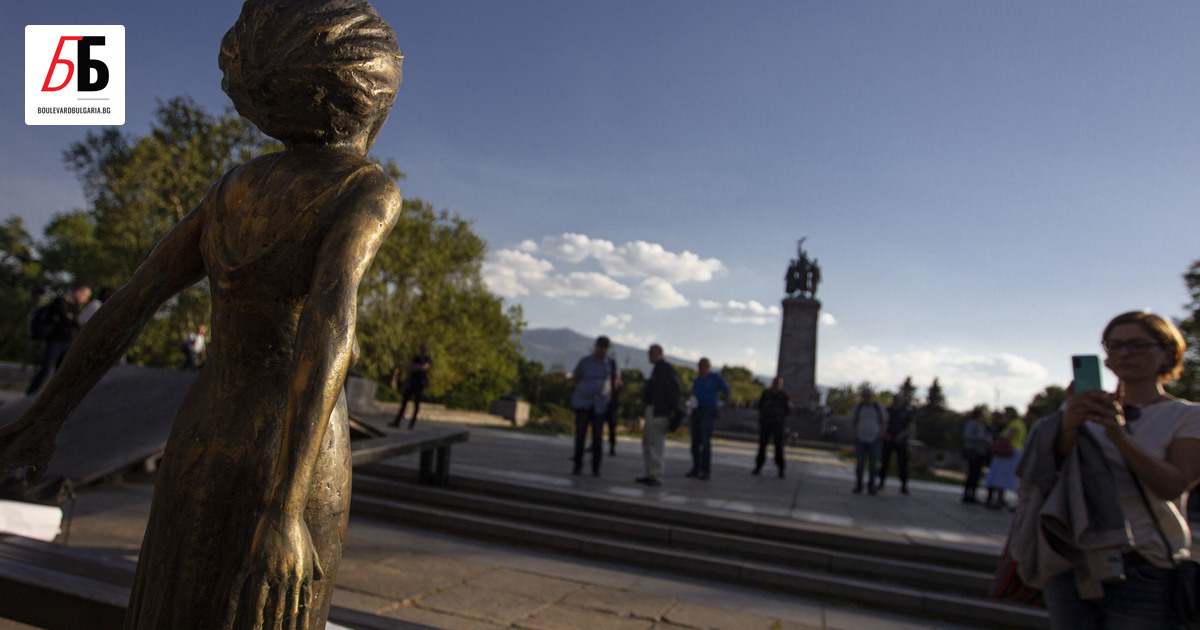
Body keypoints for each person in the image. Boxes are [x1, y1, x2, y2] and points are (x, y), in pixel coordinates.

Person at [0, 2, 403, 627]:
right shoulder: (364, 188)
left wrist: (46, 415)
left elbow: (132, 301)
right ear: (369, 91)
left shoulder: (236, 186)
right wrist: (286, 510)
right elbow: (328, 336)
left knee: (176, 600)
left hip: (203, 432)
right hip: (293, 453)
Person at [1022, 311, 1200, 628]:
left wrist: (1119, 435)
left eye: (1138, 345)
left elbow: (1173, 486)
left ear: (1168, 353)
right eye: (1114, 345)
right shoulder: (1083, 407)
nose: (1124, 353)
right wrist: (1065, 428)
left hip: (1143, 564)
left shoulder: (1187, 416)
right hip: (1073, 555)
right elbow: (1045, 474)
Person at [25, 285, 91, 396]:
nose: (85, 299)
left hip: (67, 341)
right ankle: (31, 393)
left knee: (63, 371)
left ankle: (57, 395)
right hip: (55, 340)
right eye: (85, 295)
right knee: (46, 369)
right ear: (78, 292)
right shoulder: (60, 302)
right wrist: (72, 319)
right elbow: (68, 319)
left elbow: (74, 320)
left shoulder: (74, 306)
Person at [571, 336, 619, 476]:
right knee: (580, 435)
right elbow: (576, 377)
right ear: (596, 346)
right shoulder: (585, 361)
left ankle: (596, 467)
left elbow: (615, 382)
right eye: (600, 346)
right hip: (584, 403)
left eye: (605, 347)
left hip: (600, 406)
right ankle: (578, 464)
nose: (602, 349)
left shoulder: (610, 364)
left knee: (598, 438)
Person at [636, 344, 679, 487]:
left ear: (659, 353)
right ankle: (650, 472)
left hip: (660, 410)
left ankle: (656, 474)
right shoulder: (657, 369)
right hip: (653, 408)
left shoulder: (666, 369)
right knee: (647, 442)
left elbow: (674, 389)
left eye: (651, 353)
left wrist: (672, 409)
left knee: (655, 443)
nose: (649, 356)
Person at [687, 358, 729, 480]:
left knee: (705, 442)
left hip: (708, 410)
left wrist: (723, 408)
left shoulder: (715, 378)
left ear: (708, 367)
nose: (702, 368)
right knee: (695, 441)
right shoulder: (697, 380)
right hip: (697, 410)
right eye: (700, 366)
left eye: (704, 366)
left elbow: (727, 392)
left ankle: (706, 470)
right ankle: (696, 468)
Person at [984, 408, 1025, 509]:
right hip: (1012, 452)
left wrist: (995, 441)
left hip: (1009, 453)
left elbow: (1007, 438)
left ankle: (1008, 501)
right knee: (1005, 477)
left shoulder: (1015, 424)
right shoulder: (1017, 423)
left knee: (1003, 477)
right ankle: (1000, 499)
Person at [850, 387, 889, 495]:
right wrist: (855, 434)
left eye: (868, 396)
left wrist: (881, 434)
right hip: (861, 439)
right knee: (860, 464)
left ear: (872, 396)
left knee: (873, 464)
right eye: (864, 396)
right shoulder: (858, 407)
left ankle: (872, 486)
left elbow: (885, 421)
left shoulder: (878, 407)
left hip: (875, 440)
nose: (867, 398)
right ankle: (859, 485)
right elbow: (853, 421)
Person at [753, 376, 791, 478]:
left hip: (778, 424)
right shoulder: (766, 393)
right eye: (775, 383)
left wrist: (780, 417)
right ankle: (758, 467)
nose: (776, 385)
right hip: (766, 423)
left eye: (778, 383)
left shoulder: (784, 395)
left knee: (779, 448)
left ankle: (781, 470)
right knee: (762, 446)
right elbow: (760, 406)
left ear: (781, 384)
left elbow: (788, 410)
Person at [879, 391, 916, 494]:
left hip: (901, 441)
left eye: (898, 400)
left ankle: (904, 485)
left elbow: (911, 427)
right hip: (888, 440)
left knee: (902, 464)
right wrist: (885, 434)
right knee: (885, 462)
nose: (896, 401)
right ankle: (881, 482)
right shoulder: (888, 411)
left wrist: (902, 435)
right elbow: (882, 423)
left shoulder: (907, 412)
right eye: (894, 399)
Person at [389, 342, 432, 429]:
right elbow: (409, 366)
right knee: (404, 402)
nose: (422, 349)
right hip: (412, 382)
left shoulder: (428, 359)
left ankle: (411, 424)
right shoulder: (416, 358)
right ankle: (397, 421)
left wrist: (415, 367)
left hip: (420, 384)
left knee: (416, 404)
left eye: (424, 348)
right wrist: (419, 367)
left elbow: (424, 367)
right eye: (422, 347)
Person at [960, 409, 990, 504]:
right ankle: (967, 494)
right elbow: (967, 436)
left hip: (980, 452)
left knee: (977, 474)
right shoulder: (971, 424)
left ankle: (973, 493)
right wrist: (981, 439)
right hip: (973, 451)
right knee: (972, 472)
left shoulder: (982, 426)